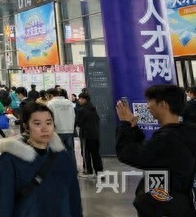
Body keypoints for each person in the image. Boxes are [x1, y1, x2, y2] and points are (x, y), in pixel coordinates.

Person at [116, 84, 196, 216]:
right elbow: (147, 151)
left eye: (150, 101)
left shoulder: (167, 138)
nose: (147, 106)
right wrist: (133, 127)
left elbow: (128, 154)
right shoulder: (183, 133)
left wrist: (125, 123)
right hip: (179, 204)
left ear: (163, 104)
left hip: (163, 207)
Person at [0, 102, 82, 217]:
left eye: (48, 123)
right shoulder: (12, 159)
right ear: (26, 126)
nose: (45, 128)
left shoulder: (63, 157)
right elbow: (3, 201)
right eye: (37, 124)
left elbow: (74, 197)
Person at [74, 92, 102, 178]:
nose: (79, 100)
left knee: (86, 153)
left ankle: (88, 171)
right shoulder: (93, 108)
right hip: (95, 134)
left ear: (85, 99)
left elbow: (77, 122)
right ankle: (99, 172)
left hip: (86, 135)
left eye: (80, 99)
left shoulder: (81, 110)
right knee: (96, 154)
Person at [46, 88, 76, 156]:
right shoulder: (69, 102)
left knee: (58, 153)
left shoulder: (50, 103)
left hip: (57, 131)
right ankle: (71, 163)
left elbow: (48, 118)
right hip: (69, 130)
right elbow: (74, 115)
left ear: (50, 95)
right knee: (70, 152)